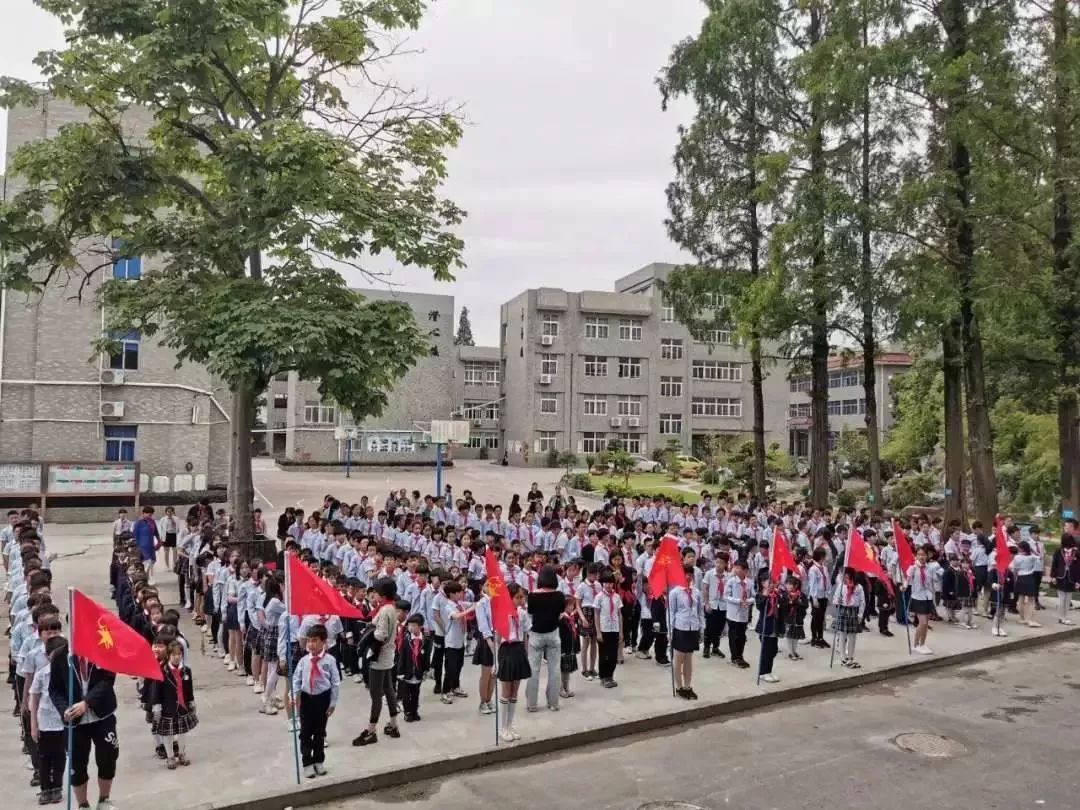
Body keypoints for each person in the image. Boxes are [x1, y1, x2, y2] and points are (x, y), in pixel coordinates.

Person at [48, 641, 120, 810]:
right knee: (76, 764)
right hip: (74, 721)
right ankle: (83, 804)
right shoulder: (60, 656)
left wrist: (87, 703)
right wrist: (63, 708)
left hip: (102, 715)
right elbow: (54, 689)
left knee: (108, 757)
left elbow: (108, 680)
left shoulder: (102, 648)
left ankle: (104, 800)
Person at [353, 578, 401, 746]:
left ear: (382, 593)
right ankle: (394, 724)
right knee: (388, 689)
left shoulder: (385, 610)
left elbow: (380, 635)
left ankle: (371, 730)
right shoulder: (390, 608)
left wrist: (368, 632)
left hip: (379, 656)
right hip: (388, 655)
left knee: (376, 694)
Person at [291, 623, 340, 777]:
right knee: (305, 732)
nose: (310, 644)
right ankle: (307, 763)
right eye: (309, 640)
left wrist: (332, 703)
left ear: (324, 642)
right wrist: (294, 696)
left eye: (315, 640)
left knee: (319, 732)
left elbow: (335, 683)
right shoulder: (304, 661)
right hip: (306, 699)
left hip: (322, 699)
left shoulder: (330, 660)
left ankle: (319, 761)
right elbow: (296, 680)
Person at [29, 636, 67, 805]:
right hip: (44, 722)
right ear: (47, 655)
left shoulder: (68, 673)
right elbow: (35, 700)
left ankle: (57, 787)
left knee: (60, 757)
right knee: (44, 757)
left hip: (61, 723)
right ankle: (45, 789)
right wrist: (33, 727)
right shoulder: (41, 674)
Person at [149, 641, 197, 770]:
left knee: (182, 733)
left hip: (183, 706)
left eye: (179, 654)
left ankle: (181, 753)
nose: (177, 657)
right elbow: (156, 691)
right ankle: (170, 756)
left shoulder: (187, 670)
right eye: (174, 654)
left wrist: (191, 702)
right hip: (167, 707)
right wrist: (157, 707)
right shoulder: (162, 672)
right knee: (168, 734)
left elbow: (189, 689)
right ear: (168, 656)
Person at [525, 565, 565, 711]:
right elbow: (561, 612)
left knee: (533, 670)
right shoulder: (560, 595)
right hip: (553, 633)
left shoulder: (532, 596)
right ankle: (553, 703)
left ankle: (532, 704)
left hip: (536, 634)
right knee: (554, 669)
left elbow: (530, 613)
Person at [497, 583, 532, 741]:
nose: (520, 600)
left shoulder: (522, 613)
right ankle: (503, 727)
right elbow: (498, 637)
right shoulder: (503, 613)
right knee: (506, 690)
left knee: (515, 691)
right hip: (506, 649)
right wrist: (496, 660)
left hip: (518, 650)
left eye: (522, 597)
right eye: (517, 597)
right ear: (510, 598)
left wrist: (525, 652)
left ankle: (510, 725)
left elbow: (525, 633)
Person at [669, 565, 703, 697]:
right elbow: (671, 612)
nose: (688, 577)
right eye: (685, 574)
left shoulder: (696, 592)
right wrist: (670, 632)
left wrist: (701, 628)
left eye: (690, 574)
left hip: (693, 627)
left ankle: (688, 686)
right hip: (680, 627)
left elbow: (699, 611)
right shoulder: (675, 592)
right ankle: (679, 687)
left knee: (689, 658)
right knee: (678, 658)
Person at [593, 571, 622, 688]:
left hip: (614, 629)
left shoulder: (617, 597)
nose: (608, 585)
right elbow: (596, 614)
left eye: (610, 583)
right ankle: (603, 677)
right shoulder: (599, 597)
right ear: (602, 584)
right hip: (604, 629)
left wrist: (621, 632)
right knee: (604, 655)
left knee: (613, 655)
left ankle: (610, 676)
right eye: (606, 583)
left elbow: (619, 614)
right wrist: (598, 631)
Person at [398, 614, 428, 722]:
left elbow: (426, 657)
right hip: (407, 672)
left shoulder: (425, 640)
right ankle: (408, 712)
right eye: (410, 625)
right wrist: (400, 671)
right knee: (406, 695)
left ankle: (414, 711)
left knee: (416, 694)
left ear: (420, 627)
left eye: (414, 625)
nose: (411, 628)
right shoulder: (406, 640)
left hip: (418, 673)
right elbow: (402, 656)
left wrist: (425, 671)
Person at [724, 559, 754, 668]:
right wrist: (738, 601)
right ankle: (734, 657)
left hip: (744, 614)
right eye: (735, 567)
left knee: (741, 636)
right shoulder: (731, 581)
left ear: (745, 571)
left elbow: (753, 596)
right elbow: (726, 596)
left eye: (739, 568)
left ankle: (740, 656)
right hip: (732, 614)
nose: (736, 570)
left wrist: (748, 601)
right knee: (733, 636)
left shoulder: (749, 582)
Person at [833, 568, 865, 669]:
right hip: (843, 610)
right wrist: (837, 601)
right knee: (842, 636)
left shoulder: (858, 587)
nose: (844, 578)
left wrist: (860, 615)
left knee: (852, 637)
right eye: (843, 576)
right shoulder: (841, 586)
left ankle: (850, 657)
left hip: (853, 611)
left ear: (851, 576)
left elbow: (862, 602)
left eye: (846, 576)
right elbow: (835, 599)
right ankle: (843, 657)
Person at [755, 578, 786, 683]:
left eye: (773, 582)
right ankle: (763, 673)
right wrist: (765, 595)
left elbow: (783, 609)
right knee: (766, 651)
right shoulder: (761, 595)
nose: (772, 584)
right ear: (763, 584)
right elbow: (759, 606)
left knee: (773, 650)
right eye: (770, 582)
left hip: (775, 628)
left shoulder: (777, 595)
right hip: (765, 628)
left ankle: (768, 671)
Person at [906, 548, 935, 655]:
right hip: (918, 597)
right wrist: (904, 587)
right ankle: (915, 645)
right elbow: (907, 580)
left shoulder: (929, 568)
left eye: (923, 554)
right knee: (922, 622)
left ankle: (922, 644)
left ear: (927, 556)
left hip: (928, 597)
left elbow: (931, 583)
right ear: (916, 556)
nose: (921, 557)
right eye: (919, 554)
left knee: (926, 623)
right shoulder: (913, 568)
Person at [701, 552, 728, 659]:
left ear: (725, 564)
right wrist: (706, 603)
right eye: (716, 562)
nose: (718, 565)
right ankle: (706, 647)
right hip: (711, 604)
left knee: (719, 628)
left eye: (721, 563)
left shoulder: (728, 576)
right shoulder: (709, 574)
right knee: (709, 628)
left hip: (723, 605)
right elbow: (705, 589)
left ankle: (715, 648)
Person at [1049, 533, 1079, 625]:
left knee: (1068, 599)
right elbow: (1054, 564)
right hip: (1060, 577)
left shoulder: (1076, 552)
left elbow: (1079, 567)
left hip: (1071, 578)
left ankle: (1065, 617)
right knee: (1062, 599)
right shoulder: (1058, 551)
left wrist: (1078, 581)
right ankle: (1061, 617)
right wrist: (1053, 576)